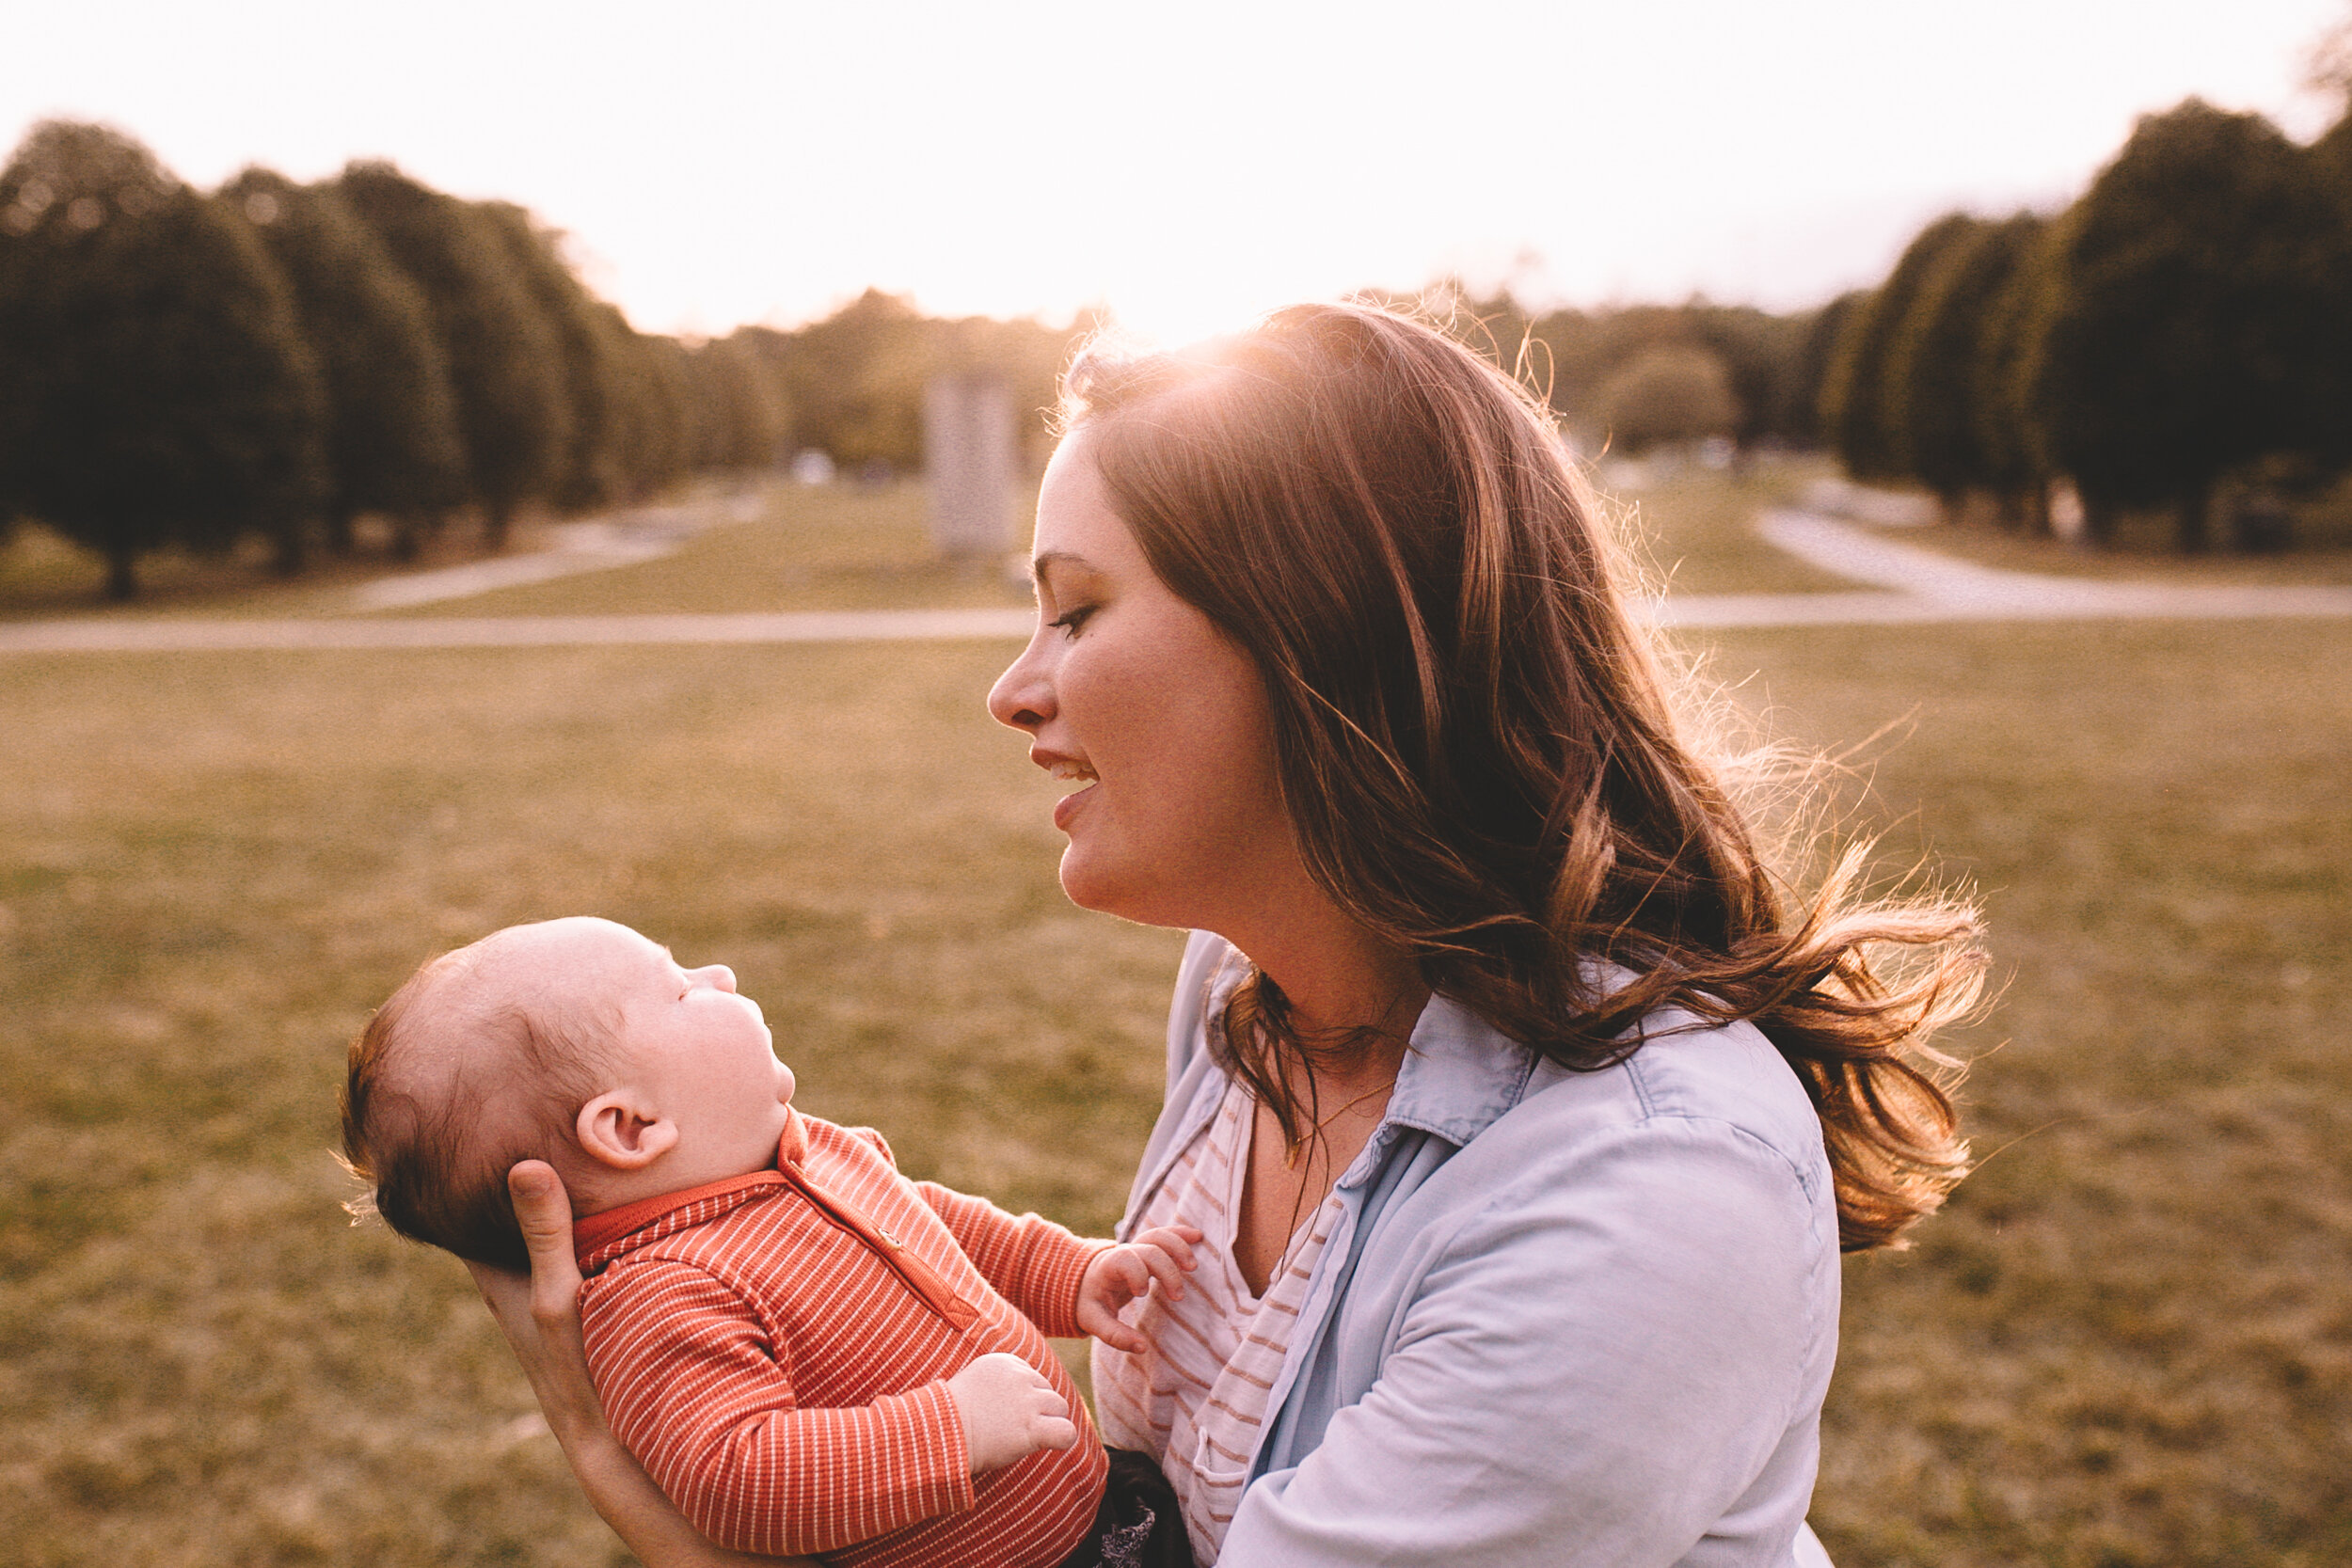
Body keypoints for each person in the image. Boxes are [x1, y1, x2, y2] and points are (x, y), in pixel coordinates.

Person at [470, 303, 1981, 1567]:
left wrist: (648, 1498)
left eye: (1076, 611)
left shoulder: (1644, 1192)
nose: (1015, 688)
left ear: (1319, 636)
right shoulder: (1246, 982)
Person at [342, 915, 1200, 1568]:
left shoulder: (801, 1150)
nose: (721, 972)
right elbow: (737, 1475)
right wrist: (955, 1428)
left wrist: (1065, 1272)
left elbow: (928, 1222)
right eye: (681, 988)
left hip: (1104, 1511)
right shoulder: (660, 1292)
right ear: (631, 1127)